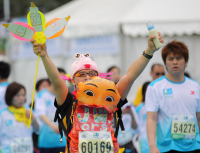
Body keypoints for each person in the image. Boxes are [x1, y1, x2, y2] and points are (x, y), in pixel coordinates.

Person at [31, 32, 164, 152]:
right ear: (73, 80)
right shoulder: (69, 101)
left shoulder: (109, 97)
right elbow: (56, 81)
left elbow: (130, 76)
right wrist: (44, 55)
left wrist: (149, 51)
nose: (88, 77)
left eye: (92, 74)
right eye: (82, 74)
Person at [146, 40, 200, 153]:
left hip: (194, 146)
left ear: (186, 61)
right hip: (168, 147)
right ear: (165, 62)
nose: (175, 62)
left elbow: (198, 117)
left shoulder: (196, 86)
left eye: (179, 58)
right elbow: (151, 118)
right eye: (170, 59)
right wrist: (152, 146)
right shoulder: (154, 87)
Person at [0, 82, 39, 153]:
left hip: (27, 150)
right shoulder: (3, 114)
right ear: (10, 96)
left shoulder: (29, 112)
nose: (21, 98)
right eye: (17, 95)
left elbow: (38, 130)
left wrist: (33, 119)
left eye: (23, 95)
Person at [35, 69, 67, 153]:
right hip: (46, 142)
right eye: (57, 77)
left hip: (62, 142)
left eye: (63, 78)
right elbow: (41, 114)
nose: (60, 80)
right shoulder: (42, 95)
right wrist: (53, 126)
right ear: (50, 78)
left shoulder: (66, 94)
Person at [135, 81, 150, 153]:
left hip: (158, 141)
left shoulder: (159, 107)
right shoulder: (139, 108)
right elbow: (135, 125)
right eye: (147, 91)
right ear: (143, 92)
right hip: (143, 141)